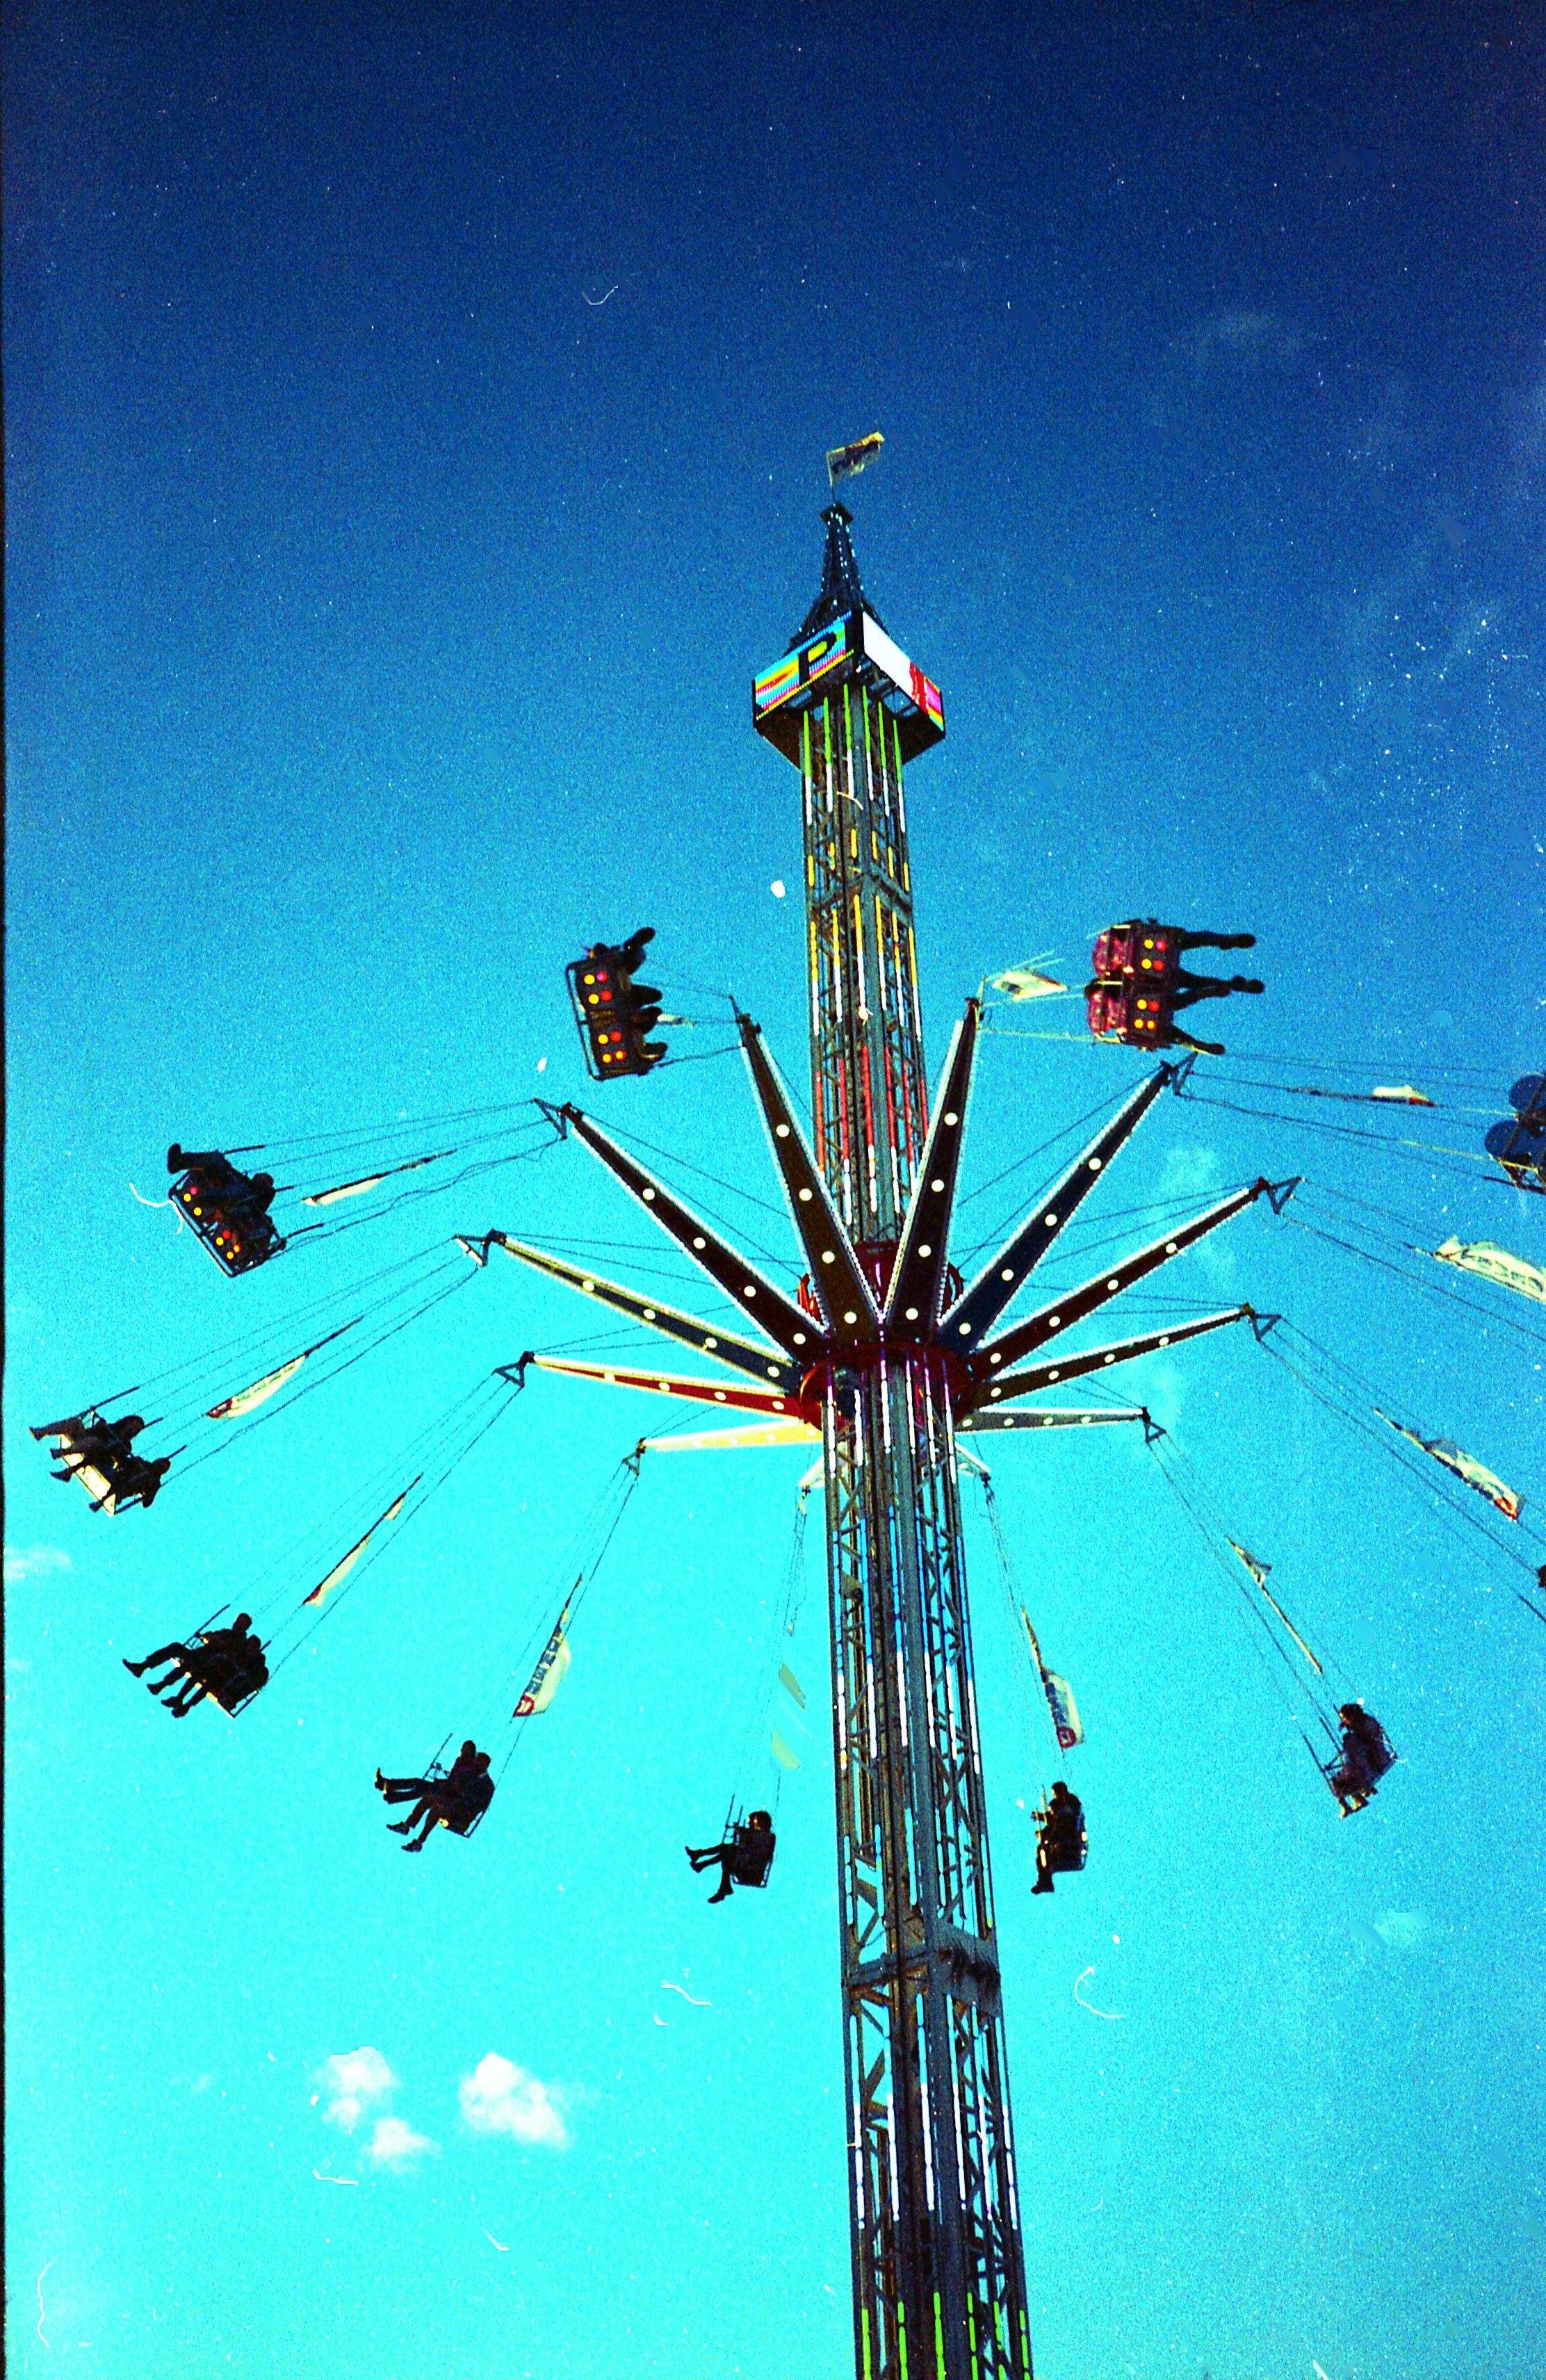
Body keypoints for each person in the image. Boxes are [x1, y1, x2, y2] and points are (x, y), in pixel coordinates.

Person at [124, 1613, 266, 1716]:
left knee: (191, 1667)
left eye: (241, 1624)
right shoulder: (226, 1632)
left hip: (212, 1667)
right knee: (176, 1648)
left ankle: (165, 1688)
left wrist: (219, 1644)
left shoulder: (240, 1643)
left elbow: (232, 1658)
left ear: (245, 1628)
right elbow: (209, 1637)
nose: (237, 1625)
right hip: (201, 1656)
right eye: (237, 1622)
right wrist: (209, 1638)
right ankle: (143, 1667)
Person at [374, 1743, 492, 1850]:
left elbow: (475, 1802)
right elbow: (456, 1783)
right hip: (448, 1795)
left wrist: (457, 1794)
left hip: (458, 1809)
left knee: (432, 1803)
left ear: (484, 1765)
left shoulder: (485, 1784)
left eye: (477, 1761)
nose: (475, 1763)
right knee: (424, 1793)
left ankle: (418, 1839)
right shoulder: (469, 1771)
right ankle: (406, 1823)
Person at [685, 1809, 776, 1903]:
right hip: (747, 1867)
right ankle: (721, 1884)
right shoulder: (763, 1836)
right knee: (728, 1853)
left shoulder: (763, 1836)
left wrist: (739, 1832)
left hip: (751, 1872)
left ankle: (701, 1860)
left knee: (729, 1850)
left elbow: (747, 1844)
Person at [1327, 1702, 1394, 1815]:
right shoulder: (1367, 1724)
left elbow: (1356, 1760)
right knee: (1344, 1778)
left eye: (1346, 1718)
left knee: (1337, 1784)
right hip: (1373, 1764)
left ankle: (1351, 1802)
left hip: (1368, 1768)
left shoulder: (1357, 1740)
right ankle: (1359, 1797)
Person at [1032, 1782, 1084, 1893]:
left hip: (1066, 1846)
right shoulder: (1072, 1807)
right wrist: (1041, 1817)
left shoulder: (1064, 1811)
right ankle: (1045, 1882)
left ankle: (1045, 1882)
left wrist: (1044, 1834)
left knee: (1042, 1852)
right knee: (1042, 1854)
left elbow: (1058, 1826)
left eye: (1055, 1794)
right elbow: (1054, 1820)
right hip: (1069, 1846)